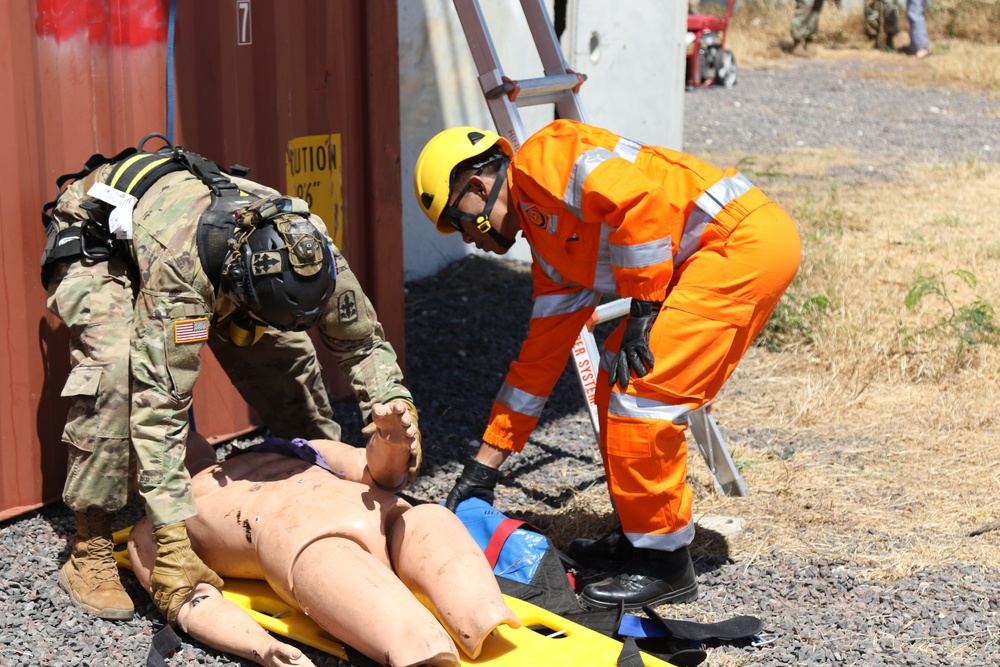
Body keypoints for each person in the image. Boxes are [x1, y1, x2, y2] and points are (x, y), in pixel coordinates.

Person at [412, 120, 801, 609]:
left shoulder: (542, 159)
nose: (466, 238)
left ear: (476, 186)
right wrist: (483, 467)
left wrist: (642, 305)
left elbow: (641, 203)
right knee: (608, 385)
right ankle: (642, 537)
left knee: (641, 393)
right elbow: (536, 365)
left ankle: (665, 566)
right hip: (708, 255)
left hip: (741, 243)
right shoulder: (553, 253)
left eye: (458, 219)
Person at [42, 139, 419, 624]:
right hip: (101, 234)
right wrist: (174, 541)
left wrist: (394, 401)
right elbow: (160, 408)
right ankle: (87, 547)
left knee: (286, 357)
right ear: (235, 289)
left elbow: (363, 343)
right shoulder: (184, 276)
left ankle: (323, 490)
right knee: (118, 374)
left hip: (204, 243)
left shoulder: (309, 250)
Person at [126, 401, 519, 667]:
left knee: (431, 518)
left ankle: (487, 622)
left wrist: (390, 443)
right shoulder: (158, 527)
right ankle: (424, 652)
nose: (171, 438)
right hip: (311, 547)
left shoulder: (283, 448)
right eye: (150, 437)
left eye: (173, 426)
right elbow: (193, 604)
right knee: (414, 638)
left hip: (386, 515)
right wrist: (261, 646)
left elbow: (374, 473)